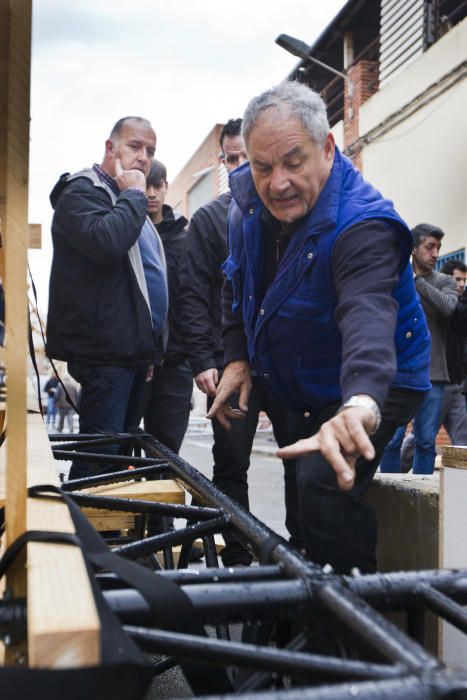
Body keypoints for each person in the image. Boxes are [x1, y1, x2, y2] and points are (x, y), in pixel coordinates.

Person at [208, 81, 431, 575]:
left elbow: (367, 317)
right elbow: (237, 283)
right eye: (263, 167)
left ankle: (353, 626)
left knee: (323, 481)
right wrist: (237, 357)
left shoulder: (364, 225)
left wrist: (361, 405)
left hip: (377, 379)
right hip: (297, 378)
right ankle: (304, 589)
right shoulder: (245, 204)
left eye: (294, 162)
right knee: (299, 494)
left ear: (327, 148)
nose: (277, 183)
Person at [181, 118, 303, 567]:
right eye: (231, 159)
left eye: (246, 159)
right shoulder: (211, 219)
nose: (239, 168)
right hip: (229, 362)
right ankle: (236, 557)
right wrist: (202, 359)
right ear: (222, 161)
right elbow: (194, 293)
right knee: (231, 465)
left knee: (298, 460)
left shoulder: (288, 210)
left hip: (287, 364)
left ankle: (297, 555)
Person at [46, 116, 168, 479]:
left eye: (150, 151)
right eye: (135, 147)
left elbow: (146, 280)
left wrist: (147, 347)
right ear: (109, 148)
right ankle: (84, 533)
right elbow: (106, 244)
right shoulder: (83, 191)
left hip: (132, 352)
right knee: (100, 458)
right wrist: (132, 194)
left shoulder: (129, 204)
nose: (143, 158)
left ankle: (108, 532)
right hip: (104, 352)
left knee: (116, 459)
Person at [380, 224, 457, 474]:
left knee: (425, 442)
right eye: (429, 247)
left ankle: (422, 498)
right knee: (391, 441)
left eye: (438, 248)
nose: (435, 254)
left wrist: (416, 281)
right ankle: (390, 496)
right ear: (413, 249)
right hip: (398, 371)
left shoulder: (445, 281)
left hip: (434, 373)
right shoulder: (394, 280)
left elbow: (448, 308)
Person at [142, 160, 192, 453]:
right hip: (133, 361)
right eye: (146, 185)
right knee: (116, 450)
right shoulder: (126, 233)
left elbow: (193, 300)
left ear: (165, 187)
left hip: (175, 363)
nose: (151, 193)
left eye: (157, 186)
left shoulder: (183, 241)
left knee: (166, 455)